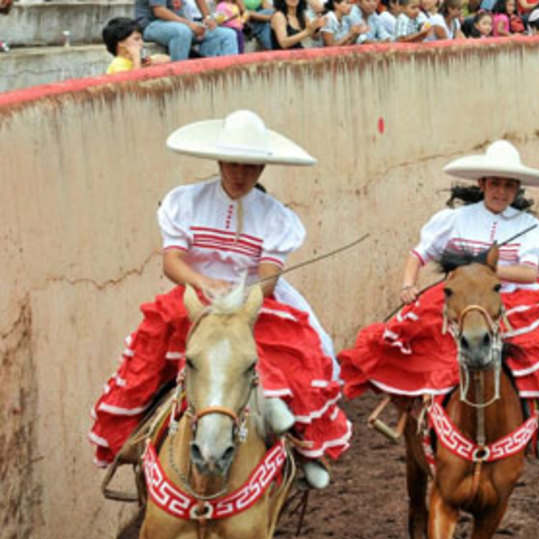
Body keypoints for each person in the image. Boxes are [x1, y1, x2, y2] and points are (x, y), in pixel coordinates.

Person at [89, 111, 351, 489]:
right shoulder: (187, 202)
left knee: (304, 347)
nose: (240, 174)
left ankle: (303, 444)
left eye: (250, 166)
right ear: (219, 162)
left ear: (263, 167)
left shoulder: (276, 217)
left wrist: (243, 300)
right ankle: (131, 433)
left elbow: (269, 278)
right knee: (150, 349)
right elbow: (171, 262)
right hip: (194, 297)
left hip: (253, 301)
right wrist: (203, 283)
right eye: (232, 164)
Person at [339, 141, 539, 466]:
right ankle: (414, 409)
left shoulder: (529, 226)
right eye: (495, 183)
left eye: (508, 185)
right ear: (482, 184)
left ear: (516, 189)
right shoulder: (454, 218)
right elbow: (419, 254)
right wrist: (408, 284)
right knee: (409, 331)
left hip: (515, 296)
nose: (501, 191)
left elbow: (529, 273)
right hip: (461, 296)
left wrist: (485, 271)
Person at [134, 0, 240, 62]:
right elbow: (159, 11)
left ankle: (216, 74)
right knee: (182, 32)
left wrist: (208, 19)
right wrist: (189, 24)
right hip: (151, 25)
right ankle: (179, 78)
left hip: (180, 24)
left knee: (227, 35)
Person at [103, 17, 171, 74]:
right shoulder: (118, 64)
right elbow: (133, 82)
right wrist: (136, 59)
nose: (141, 43)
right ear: (121, 42)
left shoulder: (138, 61)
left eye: (141, 39)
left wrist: (153, 61)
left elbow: (168, 59)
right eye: (136, 39)